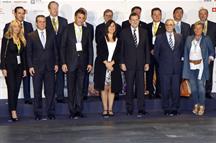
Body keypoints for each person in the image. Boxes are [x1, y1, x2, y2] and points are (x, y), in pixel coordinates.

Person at [60, 9, 93, 119]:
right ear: (75, 17)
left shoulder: (87, 30)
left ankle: (79, 110)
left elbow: (90, 47)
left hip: (83, 63)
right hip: (70, 63)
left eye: (83, 18)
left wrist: (90, 63)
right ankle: (72, 110)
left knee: (80, 88)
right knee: (71, 88)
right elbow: (62, 47)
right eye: (79, 17)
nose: (81, 20)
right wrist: (63, 63)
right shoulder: (67, 28)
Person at [27, 15, 58, 120]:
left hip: (50, 67)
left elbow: (55, 51)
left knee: (50, 91)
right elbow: (29, 53)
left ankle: (51, 113)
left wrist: (56, 63)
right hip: (36, 68)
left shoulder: (52, 34)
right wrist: (30, 66)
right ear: (36, 23)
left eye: (44, 22)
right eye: (40, 22)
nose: (42, 23)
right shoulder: (31, 36)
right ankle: (38, 114)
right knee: (37, 91)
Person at [120, 13, 150, 118]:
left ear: (139, 20)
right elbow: (121, 49)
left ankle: (141, 109)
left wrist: (147, 62)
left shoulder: (144, 32)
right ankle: (129, 109)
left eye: (136, 20)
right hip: (128, 64)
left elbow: (147, 48)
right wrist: (122, 63)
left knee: (141, 87)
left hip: (141, 64)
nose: (134, 22)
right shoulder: (124, 32)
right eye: (132, 20)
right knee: (129, 88)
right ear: (129, 21)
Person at [183, 22, 214, 116]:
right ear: (193, 29)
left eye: (200, 28)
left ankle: (202, 105)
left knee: (201, 87)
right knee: (193, 88)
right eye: (196, 28)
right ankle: (196, 105)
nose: (197, 30)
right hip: (191, 66)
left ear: (203, 29)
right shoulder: (189, 39)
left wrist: (210, 57)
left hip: (201, 66)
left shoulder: (206, 39)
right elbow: (185, 52)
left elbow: (212, 51)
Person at [3, 6, 33, 104]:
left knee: (26, 77)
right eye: (19, 13)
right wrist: (3, 66)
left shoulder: (29, 25)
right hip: (12, 59)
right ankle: (12, 102)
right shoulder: (8, 25)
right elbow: (5, 47)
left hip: (26, 55)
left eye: (23, 13)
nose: (21, 15)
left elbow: (31, 41)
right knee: (12, 84)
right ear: (15, 14)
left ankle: (27, 98)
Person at [154, 19, 184, 116]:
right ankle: (166, 108)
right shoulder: (159, 38)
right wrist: (163, 63)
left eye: (171, 25)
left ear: (174, 26)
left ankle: (175, 108)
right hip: (164, 68)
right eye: (167, 25)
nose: (169, 26)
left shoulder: (180, 37)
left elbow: (182, 52)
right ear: (165, 26)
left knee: (176, 90)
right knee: (165, 89)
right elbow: (156, 54)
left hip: (177, 68)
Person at [94, 20, 122, 117]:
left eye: (113, 26)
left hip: (114, 66)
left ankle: (110, 109)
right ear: (107, 28)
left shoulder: (118, 39)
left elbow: (119, 53)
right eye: (110, 26)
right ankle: (105, 109)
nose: (112, 28)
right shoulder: (102, 39)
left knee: (112, 88)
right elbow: (100, 52)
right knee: (104, 88)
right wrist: (106, 63)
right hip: (102, 65)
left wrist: (113, 63)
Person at [0, 20, 27, 121]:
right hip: (9, 67)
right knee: (11, 89)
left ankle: (13, 108)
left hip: (19, 68)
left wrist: (24, 68)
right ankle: (13, 111)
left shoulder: (21, 38)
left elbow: (23, 55)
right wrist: (3, 67)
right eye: (15, 26)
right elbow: (2, 54)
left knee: (16, 89)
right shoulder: (6, 38)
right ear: (11, 27)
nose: (17, 28)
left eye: (18, 27)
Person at [191, 8, 216, 98]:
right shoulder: (193, 26)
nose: (202, 15)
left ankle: (208, 92)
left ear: (207, 15)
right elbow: (191, 40)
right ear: (198, 15)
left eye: (204, 13)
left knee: (208, 73)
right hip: (196, 55)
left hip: (209, 54)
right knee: (197, 73)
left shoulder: (214, 25)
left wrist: (212, 55)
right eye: (201, 13)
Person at [46, 1, 68, 103]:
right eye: (53, 8)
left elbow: (67, 37)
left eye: (57, 8)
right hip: (49, 53)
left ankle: (60, 96)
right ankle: (50, 96)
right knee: (49, 75)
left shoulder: (64, 21)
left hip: (62, 52)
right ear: (49, 9)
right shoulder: (44, 21)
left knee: (60, 75)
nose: (55, 10)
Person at [146, 7, 166, 99]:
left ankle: (159, 92)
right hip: (149, 54)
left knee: (160, 73)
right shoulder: (147, 26)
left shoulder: (165, 26)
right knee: (149, 73)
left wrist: (157, 50)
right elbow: (145, 40)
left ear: (161, 16)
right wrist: (150, 49)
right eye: (155, 14)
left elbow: (166, 41)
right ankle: (150, 91)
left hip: (161, 54)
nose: (157, 16)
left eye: (159, 14)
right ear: (151, 16)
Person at [78, 7, 94, 99]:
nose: (82, 18)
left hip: (86, 55)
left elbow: (90, 42)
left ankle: (84, 93)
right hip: (75, 56)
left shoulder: (90, 27)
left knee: (86, 76)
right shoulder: (71, 27)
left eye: (84, 15)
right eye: (80, 16)